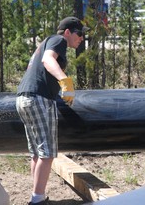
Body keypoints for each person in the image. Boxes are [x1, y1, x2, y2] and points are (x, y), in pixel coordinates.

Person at [16, 16, 90, 205]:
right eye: (79, 33)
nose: (81, 38)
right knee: (47, 153)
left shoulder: (44, 43)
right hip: (38, 99)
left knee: (37, 153)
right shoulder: (59, 40)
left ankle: (36, 195)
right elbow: (48, 61)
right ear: (67, 32)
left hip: (23, 98)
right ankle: (37, 200)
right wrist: (64, 81)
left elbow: (33, 67)